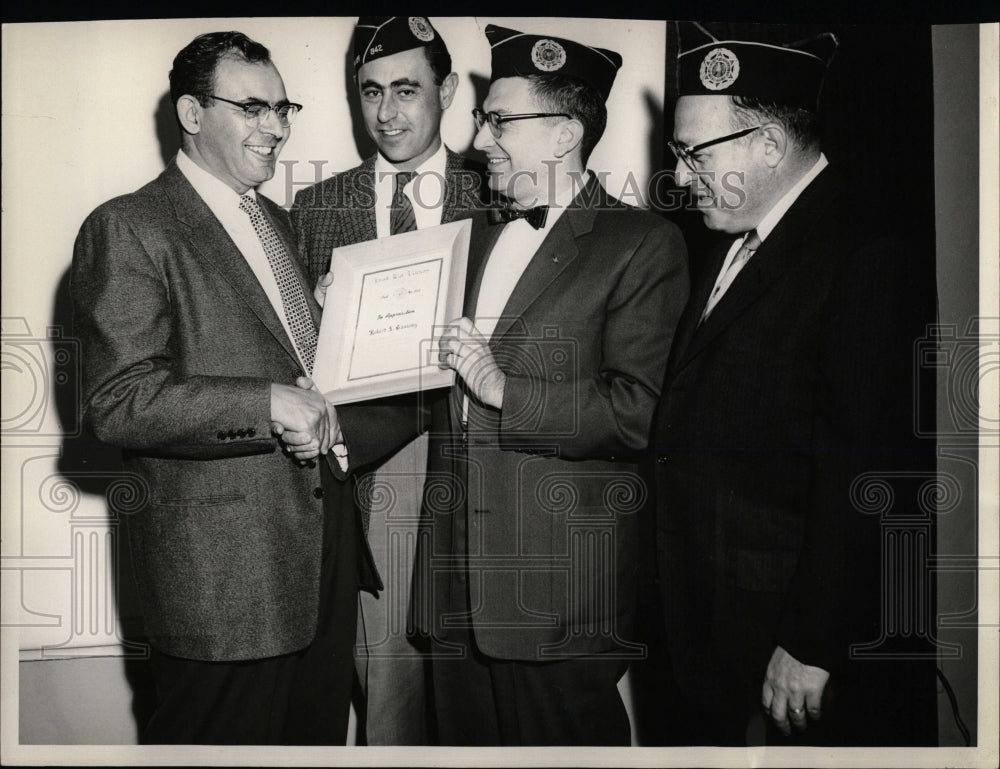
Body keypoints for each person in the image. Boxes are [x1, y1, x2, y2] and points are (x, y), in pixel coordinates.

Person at [71, 31, 419, 745]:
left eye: (283, 107)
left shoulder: (280, 224)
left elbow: (299, 363)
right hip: (224, 592)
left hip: (322, 566)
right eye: (253, 108)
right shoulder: (129, 225)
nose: (279, 127)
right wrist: (263, 402)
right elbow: (119, 399)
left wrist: (338, 326)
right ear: (192, 114)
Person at [651, 26, 939, 746]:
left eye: (695, 154)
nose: (680, 177)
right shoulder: (731, 242)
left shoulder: (865, 254)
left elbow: (872, 468)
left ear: (770, 146)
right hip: (711, 628)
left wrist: (815, 639)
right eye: (676, 154)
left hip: (783, 640)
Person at [422, 23, 689, 745]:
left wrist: (508, 391)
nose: (480, 139)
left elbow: (640, 413)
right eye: (484, 120)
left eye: (499, 119)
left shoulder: (641, 243)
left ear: (565, 133)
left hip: (556, 600)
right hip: (453, 595)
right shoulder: (464, 236)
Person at [290, 16, 484, 746]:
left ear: (449, 89)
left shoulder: (498, 191)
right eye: (370, 92)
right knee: (389, 693)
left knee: (482, 699)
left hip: (476, 476)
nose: (386, 113)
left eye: (406, 89)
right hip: (371, 479)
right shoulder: (315, 206)